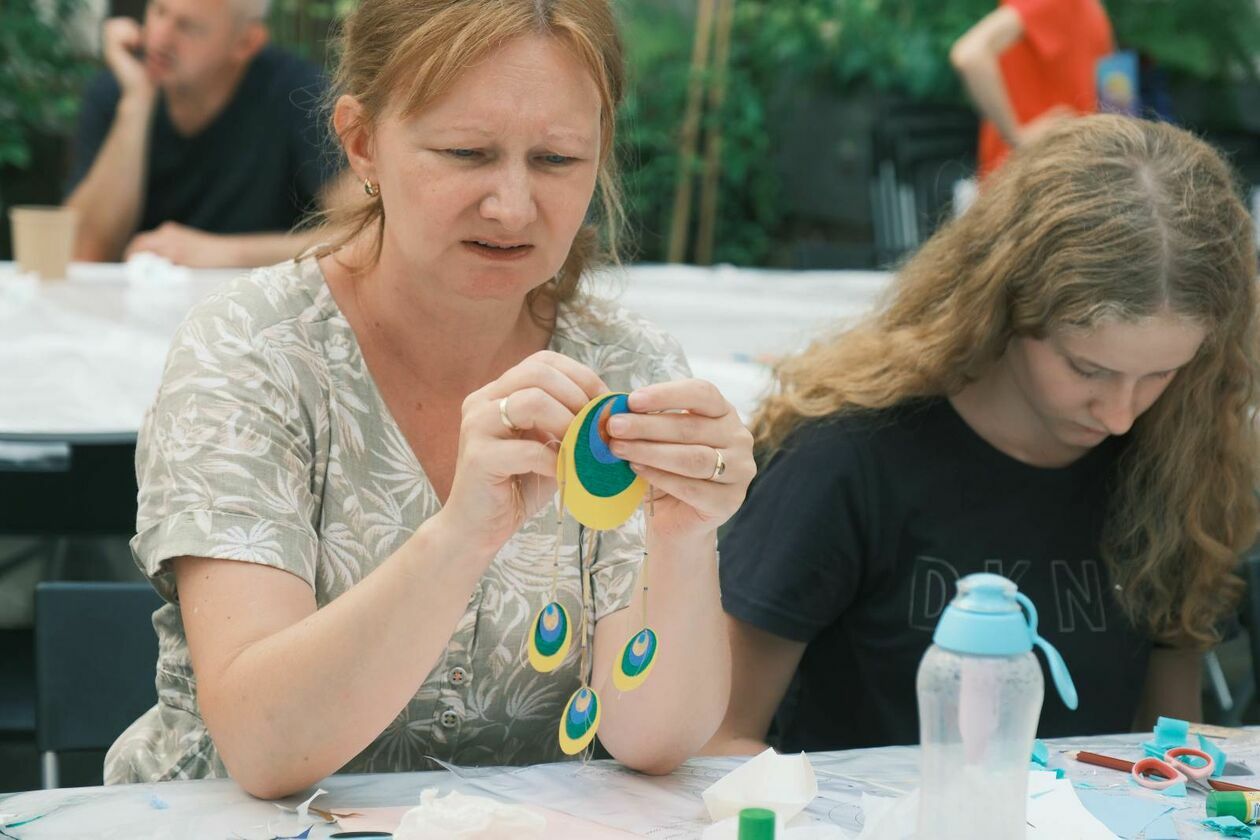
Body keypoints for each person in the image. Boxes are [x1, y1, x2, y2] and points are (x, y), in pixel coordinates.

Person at [104, 0, 753, 797]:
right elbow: (264, 747)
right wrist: (457, 538)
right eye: (467, 152)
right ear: (362, 142)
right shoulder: (254, 351)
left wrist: (685, 537)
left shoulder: (626, 364)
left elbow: (656, 737)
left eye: (556, 160)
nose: (513, 206)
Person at [707, 115, 1259, 756]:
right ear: (1001, 302)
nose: (1119, 415)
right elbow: (719, 740)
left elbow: (1168, 753)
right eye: (1087, 368)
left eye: (1161, 373)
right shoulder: (846, 456)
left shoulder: (1182, 453)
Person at [64, 0, 350, 267]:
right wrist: (137, 102)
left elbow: (364, 230)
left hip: (259, 312)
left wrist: (228, 253)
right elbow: (83, 252)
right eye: (159, 12)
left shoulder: (300, 95)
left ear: (245, 43)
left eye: (188, 27)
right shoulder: (120, 88)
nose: (159, 38)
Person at [950, 0, 1114, 179]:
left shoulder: (1089, 7)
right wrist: (1018, 137)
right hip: (1031, 174)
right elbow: (970, 54)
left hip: (1062, 169)